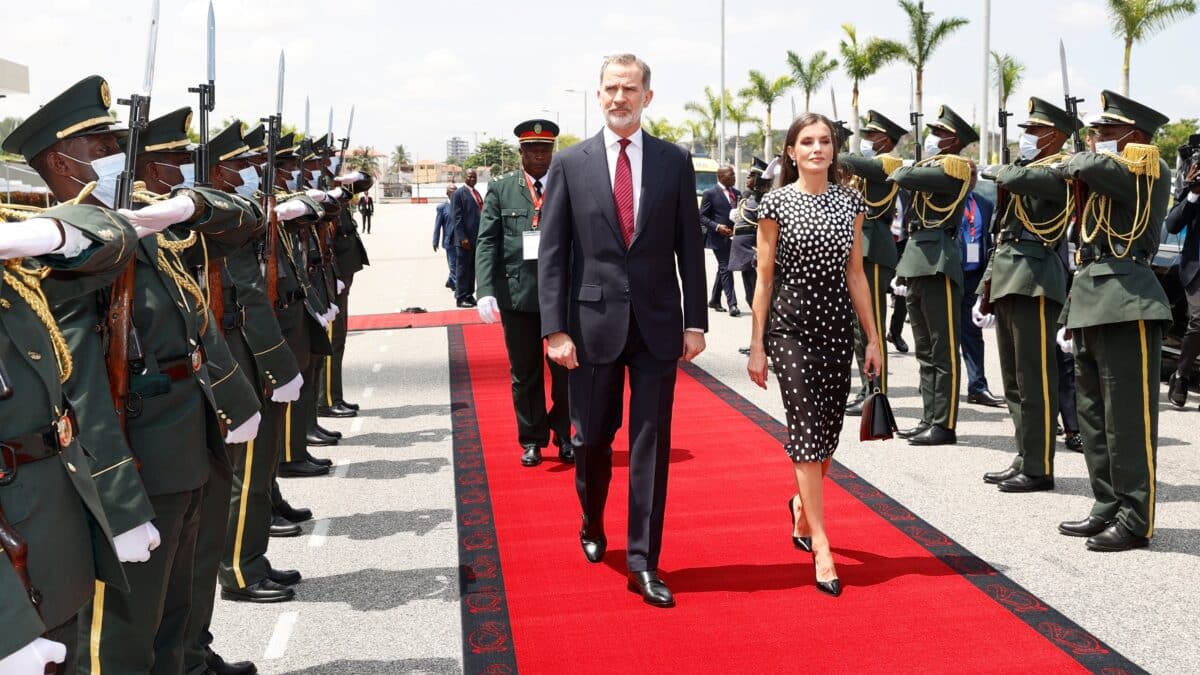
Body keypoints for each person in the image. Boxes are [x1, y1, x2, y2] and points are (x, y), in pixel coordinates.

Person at [539, 53, 707, 609]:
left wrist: (696, 321)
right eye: (611, 88)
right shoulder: (570, 163)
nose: (619, 97)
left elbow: (689, 245)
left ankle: (643, 560)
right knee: (589, 441)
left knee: (650, 446)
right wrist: (554, 329)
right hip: (589, 329)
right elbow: (554, 255)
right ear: (599, 94)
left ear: (647, 98)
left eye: (629, 89)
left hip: (658, 326)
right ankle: (592, 516)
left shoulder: (674, 161)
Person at [747, 113, 881, 599]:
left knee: (827, 435)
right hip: (790, 328)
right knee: (804, 428)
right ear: (791, 151)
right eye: (807, 141)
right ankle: (822, 543)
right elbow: (763, 279)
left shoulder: (850, 202)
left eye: (825, 141)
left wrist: (873, 338)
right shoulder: (775, 203)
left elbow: (857, 275)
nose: (817, 149)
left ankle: (801, 507)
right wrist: (758, 344)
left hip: (836, 328)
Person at [1056, 90, 1172, 552]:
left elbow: (1084, 166)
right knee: (1094, 416)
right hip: (1092, 297)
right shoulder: (1108, 175)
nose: (1096, 137)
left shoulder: (1145, 168)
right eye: (1096, 130)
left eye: (1106, 131)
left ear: (1135, 136)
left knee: (1128, 420)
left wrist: (1080, 154)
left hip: (1129, 300)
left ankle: (1135, 518)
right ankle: (1106, 505)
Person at [977, 97, 1078, 494]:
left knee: (1035, 378)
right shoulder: (1025, 170)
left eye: (1034, 130)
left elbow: (1015, 180)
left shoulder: (1059, 170)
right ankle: (1025, 455)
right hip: (1009, 275)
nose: (1026, 137)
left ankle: (1039, 466)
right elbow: (1002, 233)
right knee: (1015, 380)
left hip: (1036, 278)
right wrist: (987, 287)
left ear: (1054, 136)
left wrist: (995, 168)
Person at [474, 119, 573, 467]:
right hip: (518, 294)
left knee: (566, 370)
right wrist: (484, 288)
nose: (539, 156)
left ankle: (564, 433)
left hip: (561, 294)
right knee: (525, 372)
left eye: (545, 149)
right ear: (521, 153)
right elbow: (488, 242)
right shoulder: (501, 189)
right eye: (532, 149)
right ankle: (532, 438)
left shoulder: (567, 184)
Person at [890, 105, 977, 446]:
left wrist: (908, 164)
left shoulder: (955, 169)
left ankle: (944, 423)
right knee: (924, 347)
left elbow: (901, 177)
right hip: (917, 257)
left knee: (943, 347)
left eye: (939, 134)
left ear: (952, 140)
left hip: (938, 256)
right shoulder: (933, 167)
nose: (933, 138)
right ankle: (929, 416)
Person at [840, 110, 906, 413]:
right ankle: (867, 388)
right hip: (858, 249)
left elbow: (855, 163)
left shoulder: (889, 162)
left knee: (873, 326)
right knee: (858, 327)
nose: (865, 141)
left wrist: (835, 148)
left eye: (869, 136)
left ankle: (877, 392)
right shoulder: (864, 170)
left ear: (884, 140)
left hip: (875, 251)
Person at [958, 165, 1004, 407]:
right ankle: (933, 387)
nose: (971, 179)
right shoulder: (945, 202)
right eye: (966, 175)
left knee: (972, 335)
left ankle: (977, 386)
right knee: (942, 337)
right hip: (949, 275)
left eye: (974, 175)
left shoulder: (985, 204)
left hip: (973, 276)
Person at [1166, 161, 1200, 407]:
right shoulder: (1192, 189)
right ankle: (1181, 375)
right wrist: (1194, 192)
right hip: (1197, 267)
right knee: (1199, 320)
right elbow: (1173, 224)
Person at [730, 158, 768, 355]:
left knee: (759, 301)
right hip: (743, 255)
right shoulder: (747, 198)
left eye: (752, 175)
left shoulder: (764, 200)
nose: (747, 177)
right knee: (750, 298)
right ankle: (757, 340)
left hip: (753, 253)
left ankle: (762, 343)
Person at [700, 165, 741, 315]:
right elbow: (702, 216)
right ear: (720, 176)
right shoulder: (710, 193)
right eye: (731, 175)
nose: (734, 177)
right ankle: (733, 304)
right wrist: (717, 227)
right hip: (717, 238)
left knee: (722, 270)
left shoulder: (737, 194)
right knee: (726, 267)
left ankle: (714, 300)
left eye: (734, 175)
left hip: (733, 238)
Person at [452, 169, 482, 307]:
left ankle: (469, 295)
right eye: (470, 176)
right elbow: (456, 218)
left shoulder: (476, 193)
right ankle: (460, 297)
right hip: (464, 240)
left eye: (474, 177)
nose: (472, 179)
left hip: (475, 238)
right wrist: (462, 237)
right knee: (463, 270)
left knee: (471, 269)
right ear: (464, 177)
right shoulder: (458, 194)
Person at [434, 185, 457, 292]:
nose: (454, 194)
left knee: (459, 266)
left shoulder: (461, 205)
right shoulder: (442, 207)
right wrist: (435, 241)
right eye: (452, 192)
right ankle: (459, 290)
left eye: (456, 191)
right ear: (447, 193)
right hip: (449, 242)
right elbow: (437, 226)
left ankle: (450, 281)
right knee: (453, 265)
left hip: (461, 241)